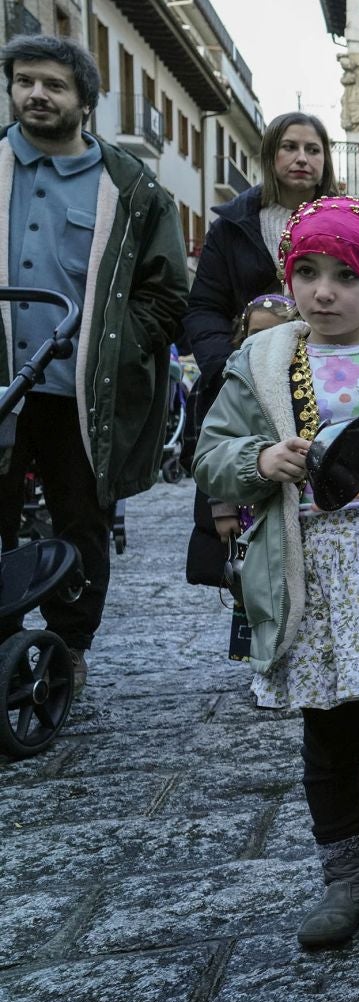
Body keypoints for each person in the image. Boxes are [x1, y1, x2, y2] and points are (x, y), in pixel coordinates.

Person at [193, 197, 359, 950]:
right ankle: (346, 880)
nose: (324, 291)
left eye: (345, 275)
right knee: (328, 738)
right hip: (312, 575)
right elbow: (210, 451)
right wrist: (258, 460)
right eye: (308, 272)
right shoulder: (261, 360)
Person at [0, 34, 188, 693]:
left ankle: (69, 646)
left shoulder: (129, 187)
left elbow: (165, 290)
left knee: (81, 518)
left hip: (79, 392)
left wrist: (116, 340)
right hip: (2, 388)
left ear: (85, 98)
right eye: (25, 80)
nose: (36, 94)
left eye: (53, 84)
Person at [183, 112, 338, 596]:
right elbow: (203, 308)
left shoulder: (345, 219)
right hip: (249, 378)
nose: (301, 158)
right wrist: (225, 366)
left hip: (328, 371)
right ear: (271, 155)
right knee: (251, 507)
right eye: (289, 147)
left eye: (312, 149)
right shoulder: (233, 226)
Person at [210, 292, 300, 664]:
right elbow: (220, 450)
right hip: (249, 506)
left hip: (282, 503)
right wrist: (222, 510)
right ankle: (254, 653)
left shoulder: (297, 378)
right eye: (254, 332)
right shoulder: (239, 381)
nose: (261, 341)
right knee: (250, 577)